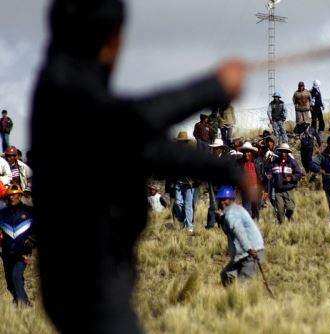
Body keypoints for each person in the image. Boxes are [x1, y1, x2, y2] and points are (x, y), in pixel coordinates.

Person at [30, 1, 245, 333]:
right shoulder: (63, 92)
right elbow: (130, 122)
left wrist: (223, 170)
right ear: (113, 39)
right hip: (89, 289)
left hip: (91, 285)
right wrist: (213, 88)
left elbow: (144, 148)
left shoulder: (67, 97)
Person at [216, 186, 265, 286]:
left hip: (251, 253)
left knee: (243, 285)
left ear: (230, 200)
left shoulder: (231, 213)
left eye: (224, 200)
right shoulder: (234, 210)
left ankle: (243, 300)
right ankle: (231, 298)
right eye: (220, 200)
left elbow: (239, 231)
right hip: (243, 254)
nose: (221, 202)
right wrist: (221, 219)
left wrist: (249, 248)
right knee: (226, 275)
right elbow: (229, 231)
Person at [0, 184, 35, 306]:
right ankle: (23, 302)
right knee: (10, 284)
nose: (12, 198)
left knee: (16, 275)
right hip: (6, 253)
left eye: (14, 195)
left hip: (23, 253)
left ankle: (22, 306)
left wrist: (31, 241)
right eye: (10, 195)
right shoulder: (2, 214)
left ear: (20, 195)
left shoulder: (30, 212)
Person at [268, 143, 302, 224]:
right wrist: (272, 179)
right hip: (278, 190)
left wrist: (291, 178)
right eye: (282, 151)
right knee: (279, 210)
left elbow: (299, 173)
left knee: (290, 208)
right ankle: (282, 226)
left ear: (288, 152)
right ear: (279, 152)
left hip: (288, 189)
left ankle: (289, 216)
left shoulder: (292, 162)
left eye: (285, 152)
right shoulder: (274, 162)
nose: (283, 153)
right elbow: (270, 172)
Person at [237, 142, 265, 222]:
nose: (246, 154)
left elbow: (263, 175)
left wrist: (264, 189)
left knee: (256, 209)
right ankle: (249, 227)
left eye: (248, 152)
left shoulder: (258, 161)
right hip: (245, 190)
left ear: (252, 152)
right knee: (247, 210)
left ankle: (256, 225)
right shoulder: (239, 163)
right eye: (245, 152)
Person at [206, 138, 229, 229]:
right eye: (215, 148)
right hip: (213, 185)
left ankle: (222, 224)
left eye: (218, 148)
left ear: (221, 149)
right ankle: (210, 225)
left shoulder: (226, 159)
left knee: (223, 206)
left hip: (223, 186)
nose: (216, 150)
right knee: (213, 205)